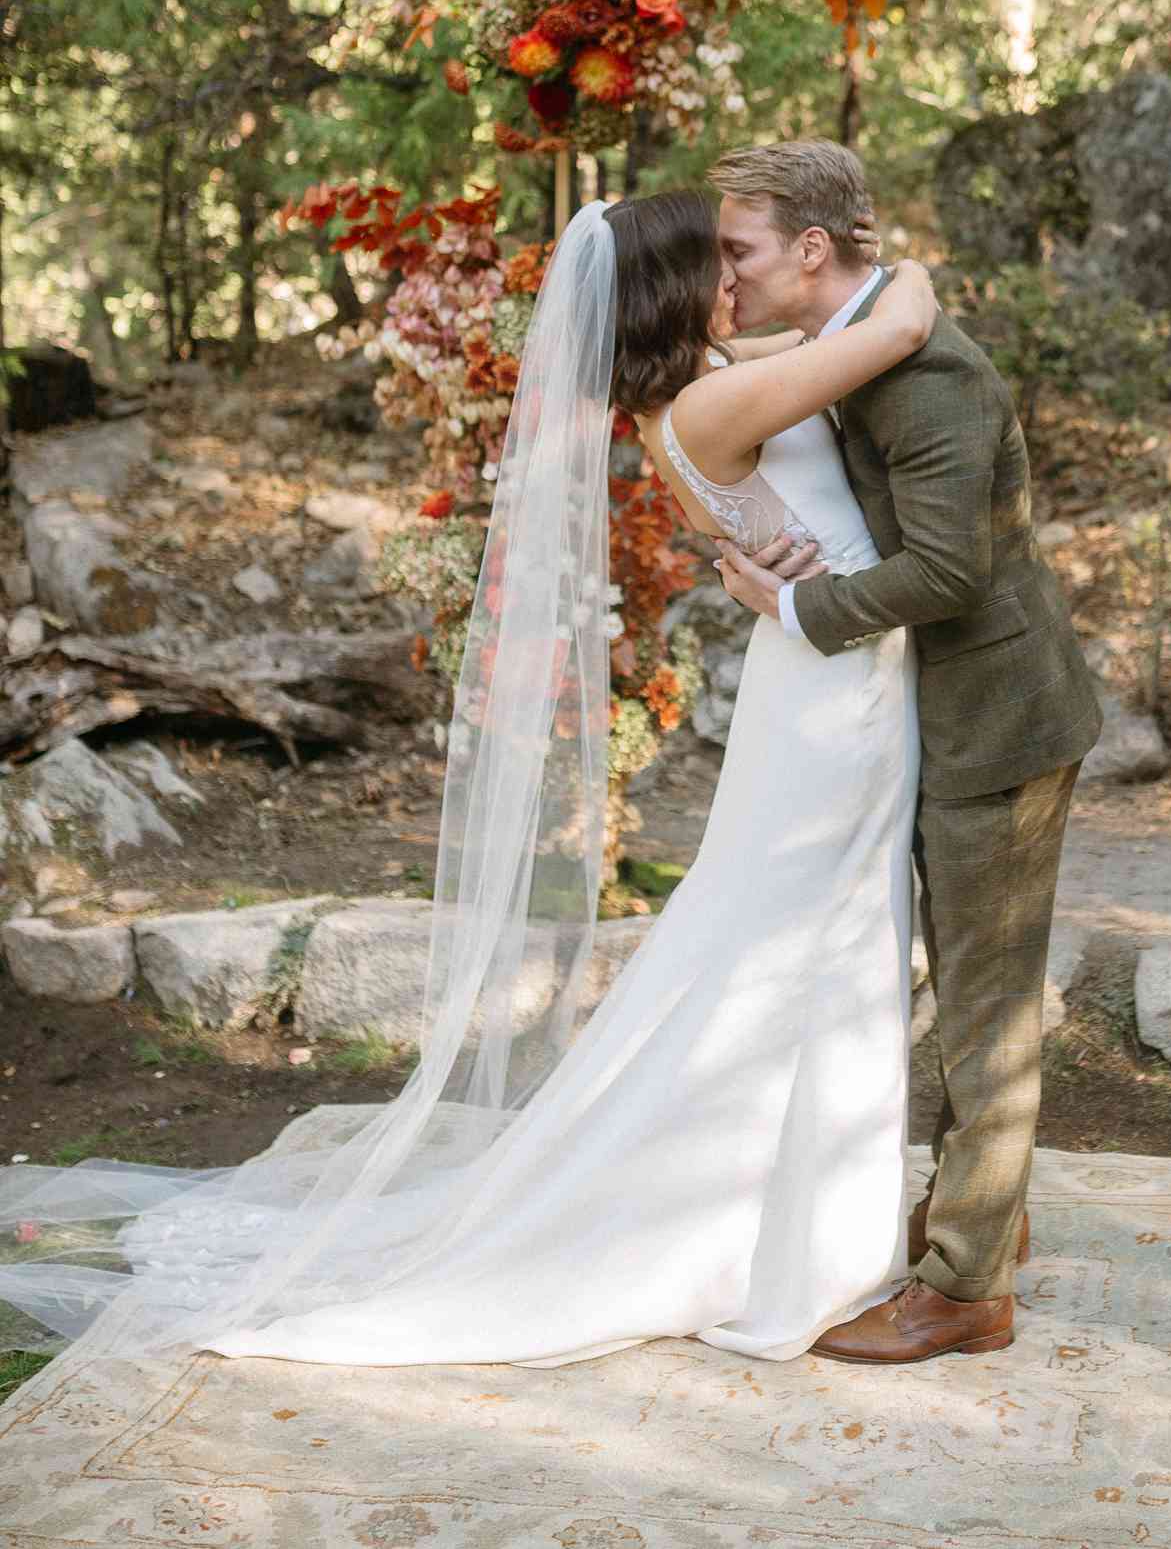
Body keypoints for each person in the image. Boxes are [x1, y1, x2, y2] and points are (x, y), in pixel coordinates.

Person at [0, 188, 942, 1371]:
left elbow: (810, 343)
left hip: (822, 676)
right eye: (717, 263)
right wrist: (908, 272)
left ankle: (787, 1209)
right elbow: (894, 327)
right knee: (809, 944)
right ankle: (776, 1240)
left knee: (791, 938)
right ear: (673, 287)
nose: (738, 280)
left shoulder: (692, 388)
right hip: (829, 699)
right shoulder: (713, 399)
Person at [710, 139, 1103, 1365]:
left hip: (999, 720)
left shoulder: (925, 376)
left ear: (812, 252)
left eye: (742, 249)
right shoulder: (867, 329)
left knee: (987, 1008)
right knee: (966, 984)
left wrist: (785, 609)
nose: (728, 271)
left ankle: (968, 1289)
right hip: (950, 712)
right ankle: (978, 1212)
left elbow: (946, 570)